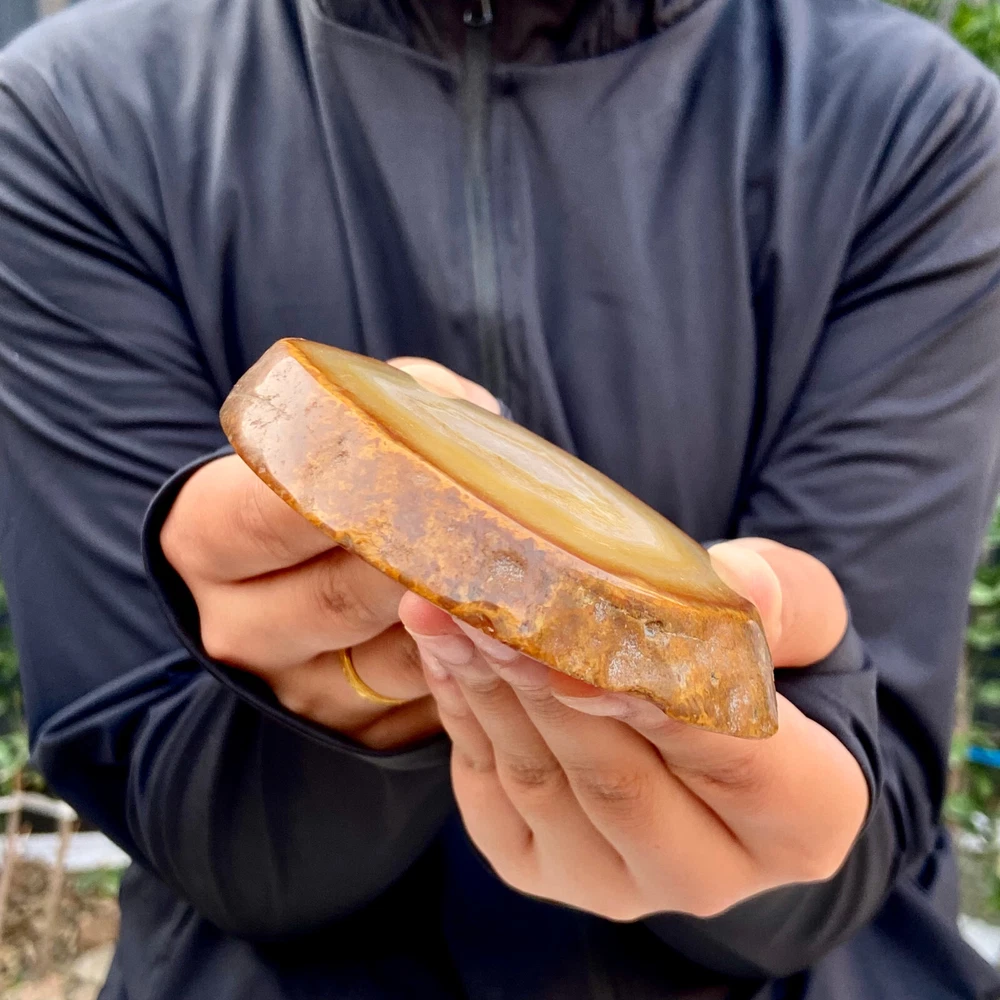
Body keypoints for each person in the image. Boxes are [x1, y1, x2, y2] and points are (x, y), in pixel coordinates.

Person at [1, 0, 999, 997]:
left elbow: (864, 819)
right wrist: (346, 712)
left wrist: (782, 822)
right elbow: (184, 817)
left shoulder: (909, 120)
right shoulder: (75, 118)